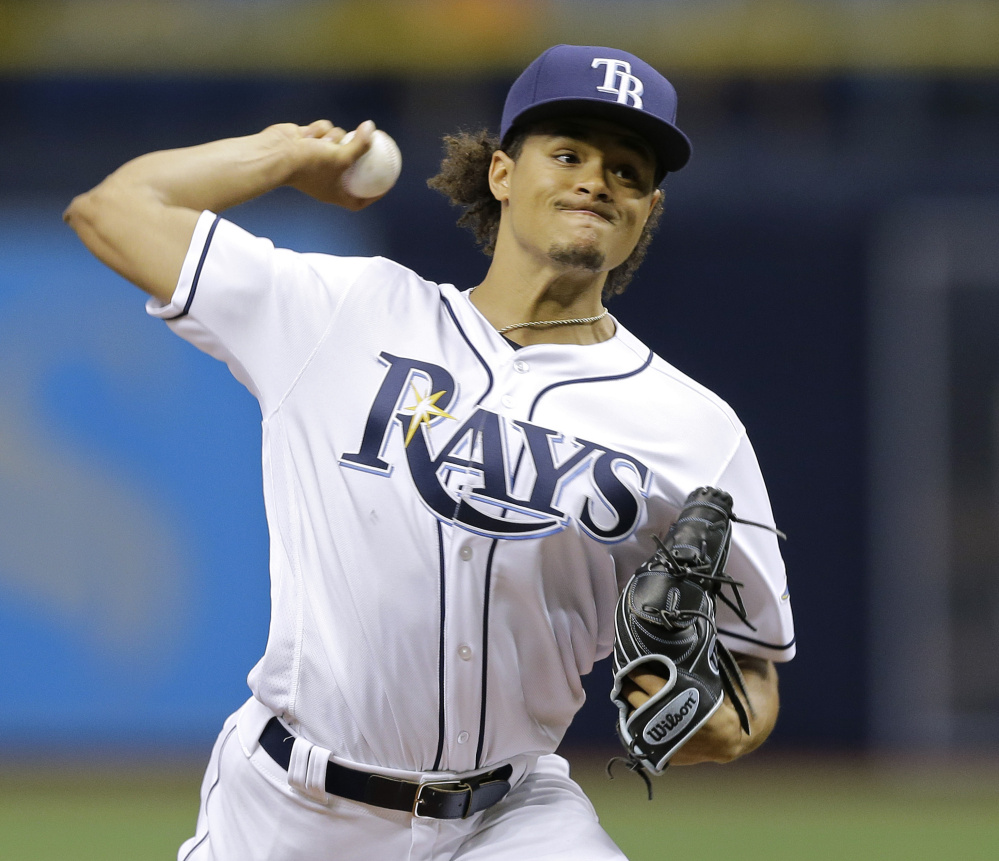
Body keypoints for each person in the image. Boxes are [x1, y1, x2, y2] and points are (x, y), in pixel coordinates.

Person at [65, 44, 794, 861]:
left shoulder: (695, 428)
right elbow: (112, 209)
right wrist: (283, 155)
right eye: (567, 153)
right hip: (289, 808)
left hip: (511, 818)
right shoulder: (346, 313)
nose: (596, 179)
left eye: (626, 170)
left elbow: (751, 676)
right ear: (501, 175)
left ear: (647, 210)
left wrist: (711, 722)